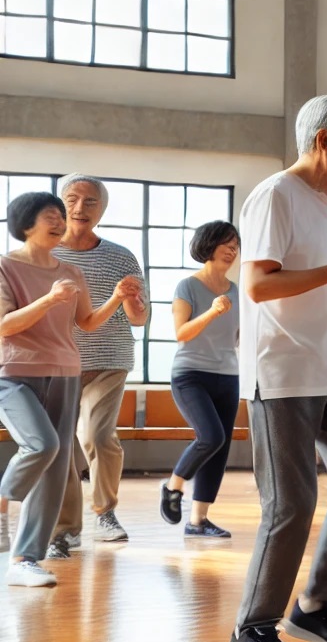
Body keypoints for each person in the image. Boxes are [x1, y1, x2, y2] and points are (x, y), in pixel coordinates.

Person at [227, 94, 327, 642]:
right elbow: (260, 286)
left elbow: (324, 280)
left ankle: (317, 604)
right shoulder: (274, 195)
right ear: (324, 139)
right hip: (284, 373)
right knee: (291, 502)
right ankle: (251, 628)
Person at [1, 192, 135, 586]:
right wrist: (48, 299)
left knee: (57, 470)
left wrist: (116, 298)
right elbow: (5, 325)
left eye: (61, 216)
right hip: (14, 372)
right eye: (51, 215)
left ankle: (25, 558)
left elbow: (88, 323)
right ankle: (4, 498)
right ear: (25, 222)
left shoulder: (70, 273)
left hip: (64, 371)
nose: (61, 221)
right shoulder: (6, 266)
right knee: (43, 445)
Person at [51, 175, 149, 548]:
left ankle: (104, 511)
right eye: (72, 199)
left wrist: (133, 302)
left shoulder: (121, 256)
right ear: (60, 205)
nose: (80, 209)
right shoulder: (46, 254)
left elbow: (140, 318)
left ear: (102, 210)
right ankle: (66, 527)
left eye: (90, 202)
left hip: (108, 358)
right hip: (57, 361)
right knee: (58, 443)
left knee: (95, 434)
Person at [158, 220, 242, 539]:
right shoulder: (187, 286)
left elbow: (235, 338)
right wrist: (211, 312)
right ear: (208, 245)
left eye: (236, 244)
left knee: (219, 448)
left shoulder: (234, 291)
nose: (232, 249)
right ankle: (173, 486)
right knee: (210, 436)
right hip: (190, 374)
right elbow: (182, 334)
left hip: (228, 375)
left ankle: (198, 521)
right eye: (226, 243)